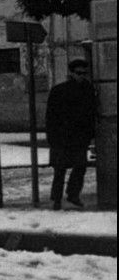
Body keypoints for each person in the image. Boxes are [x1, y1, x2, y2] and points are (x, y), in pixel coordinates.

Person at [45, 58, 96, 210]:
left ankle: (72, 195)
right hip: (62, 137)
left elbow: (90, 113)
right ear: (71, 73)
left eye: (84, 73)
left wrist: (89, 133)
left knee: (80, 167)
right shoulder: (59, 90)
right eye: (79, 73)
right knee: (60, 170)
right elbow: (51, 116)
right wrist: (52, 137)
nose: (81, 76)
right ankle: (57, 199)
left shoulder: (87, 90)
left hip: (79, 137)